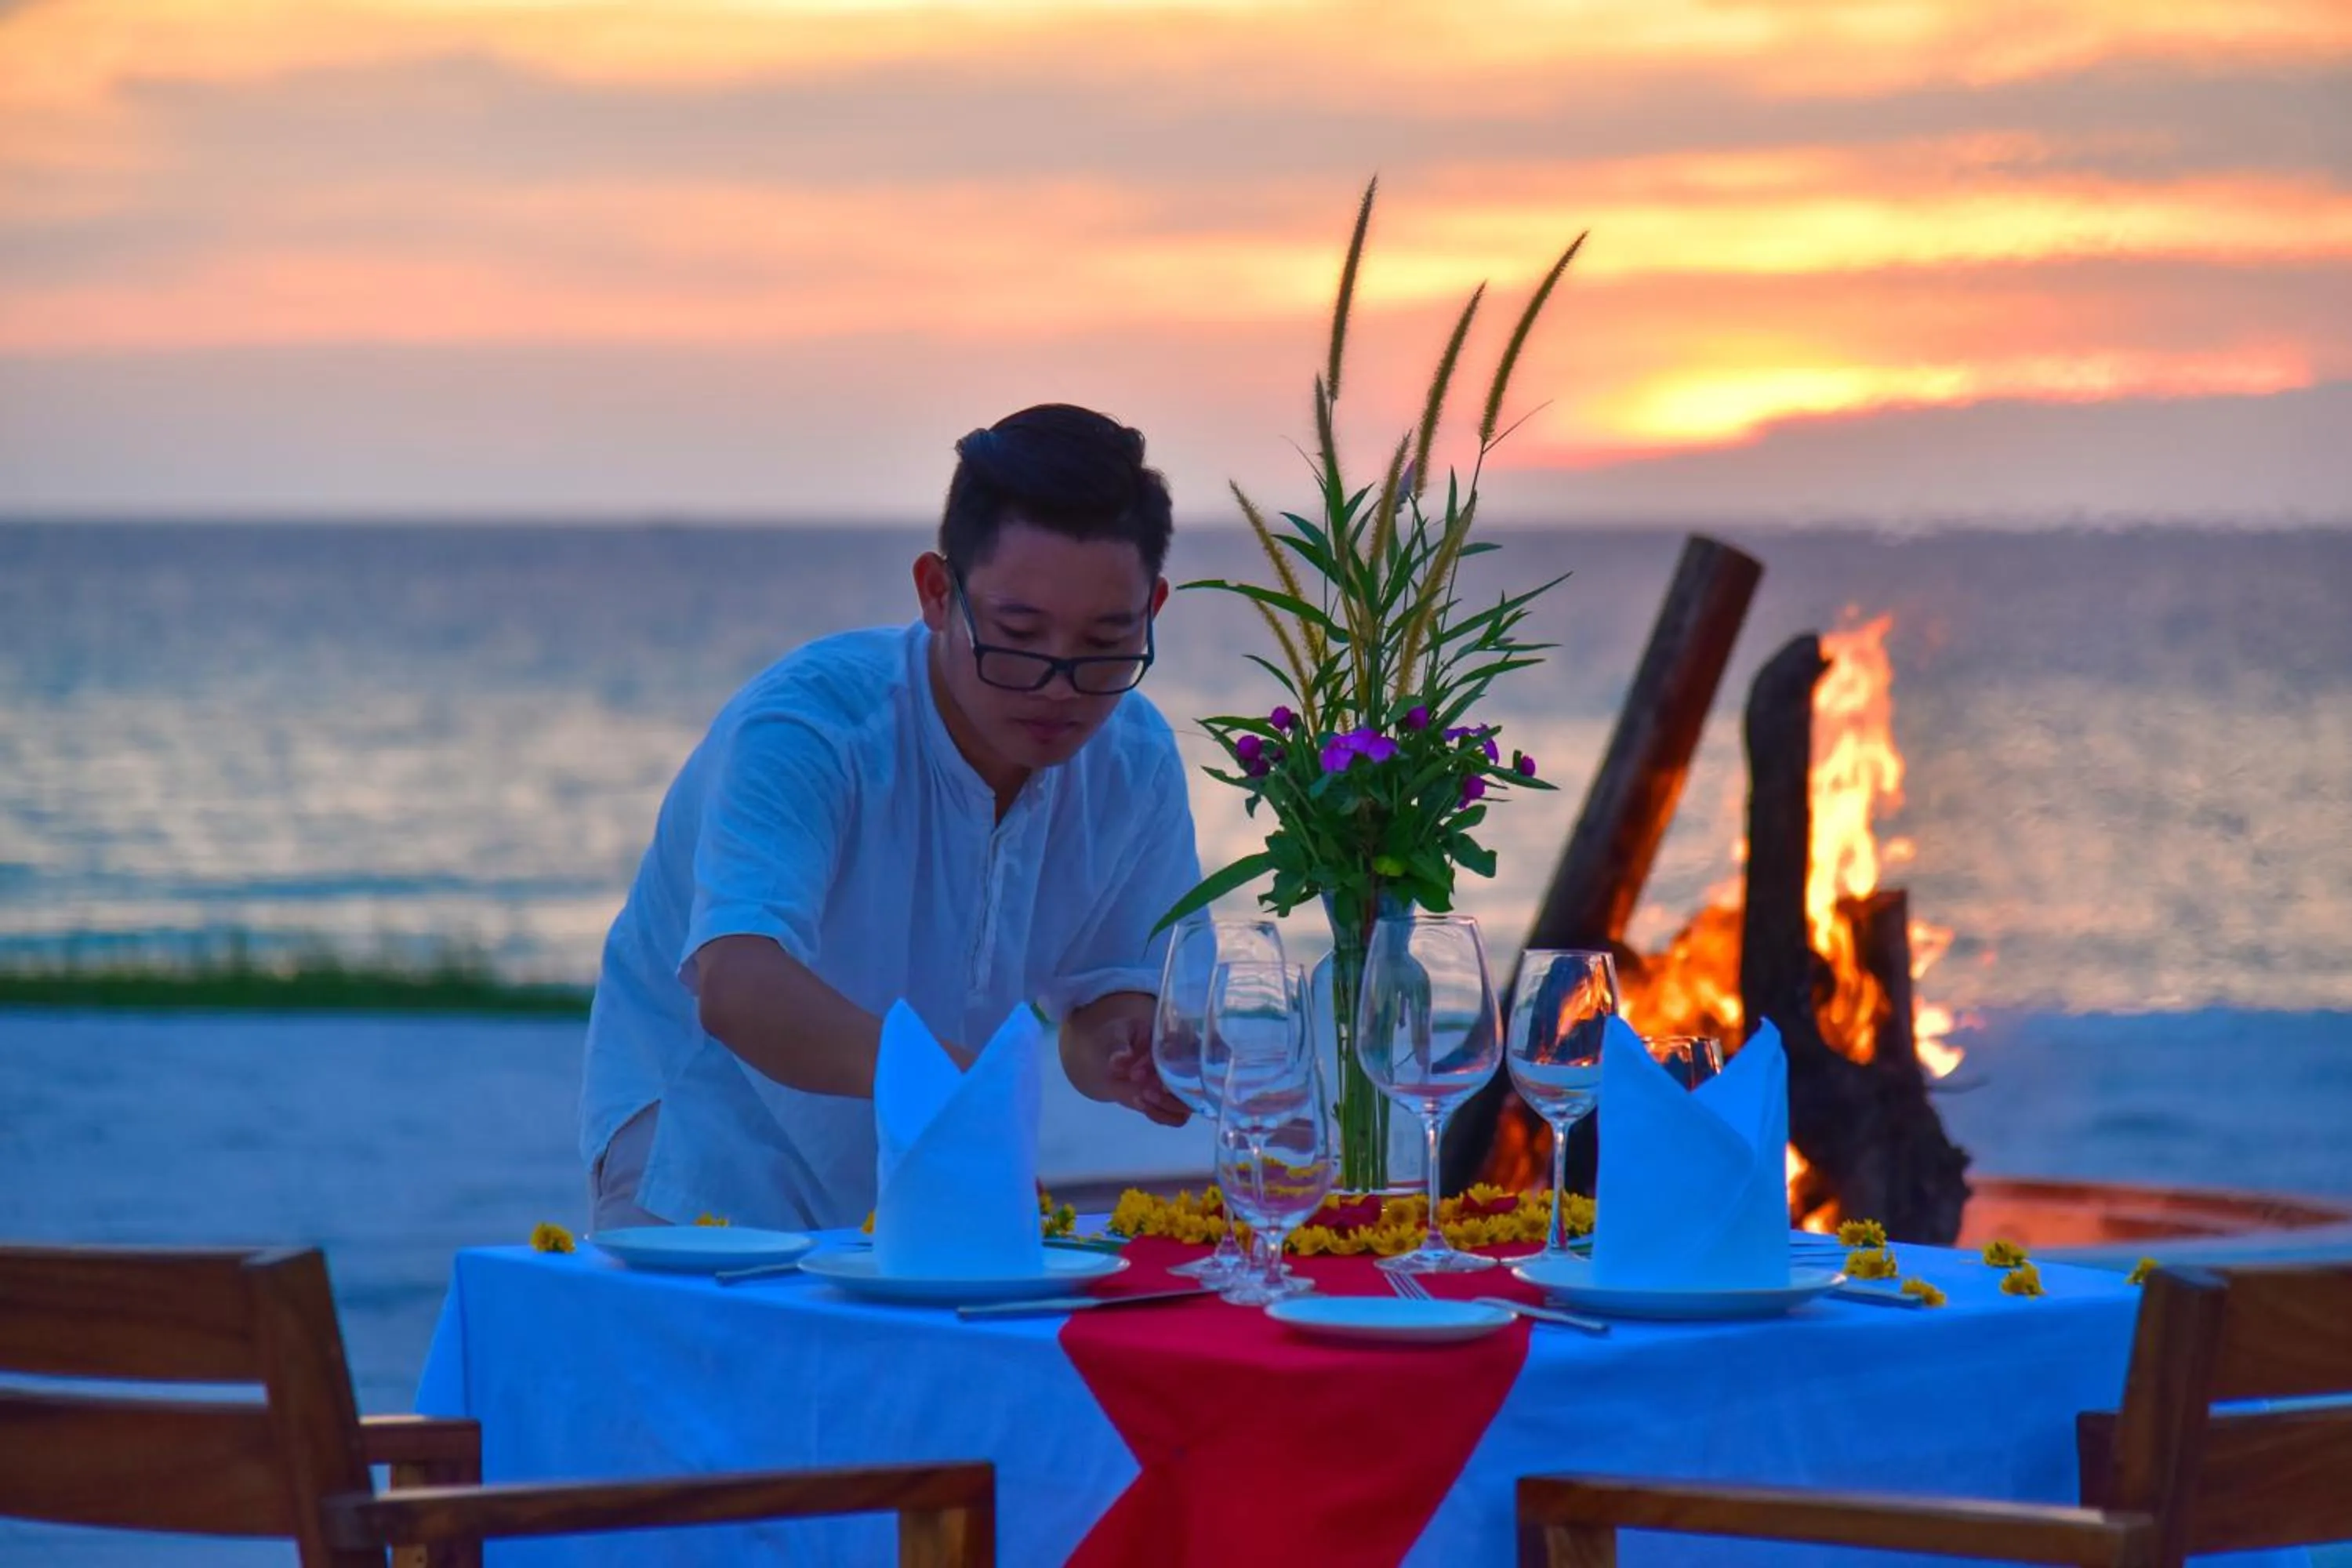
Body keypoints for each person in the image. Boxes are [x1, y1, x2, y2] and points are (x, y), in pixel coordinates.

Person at [579, 404, 1201, 1232]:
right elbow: (737, 983)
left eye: (1105, 642)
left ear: (1153, 608)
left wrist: (1133, 1056)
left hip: (926, 1162)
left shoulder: (1135, 757)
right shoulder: (812, 725)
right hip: (703, 1151)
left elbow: (1106, 1001)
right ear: (938, 592)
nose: (1062, 683)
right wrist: (943, 1078)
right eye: (1019, 634)